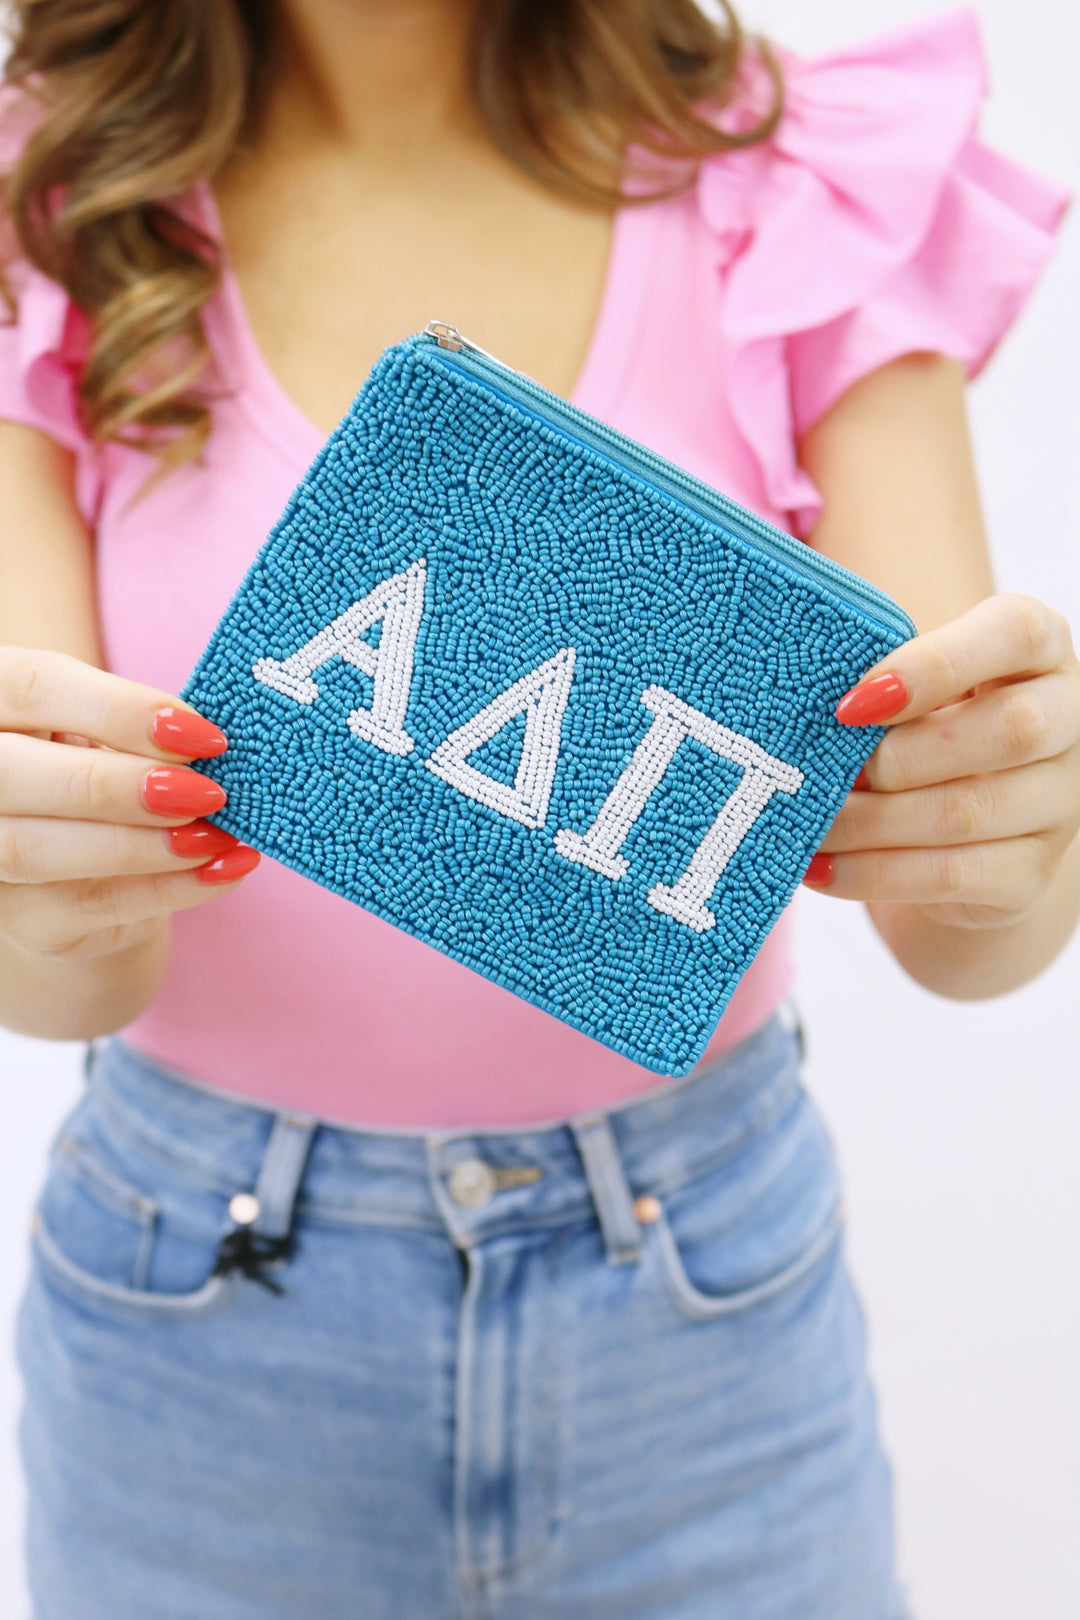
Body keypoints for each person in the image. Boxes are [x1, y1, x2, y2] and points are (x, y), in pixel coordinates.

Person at [1, 1, 1076, 1615]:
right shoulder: (50, 202)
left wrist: (1020, 832)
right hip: (196, 1320)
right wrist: (44, 890)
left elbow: (964, 924)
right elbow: (71, 970)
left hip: (706, 1317)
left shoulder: (802, 172)